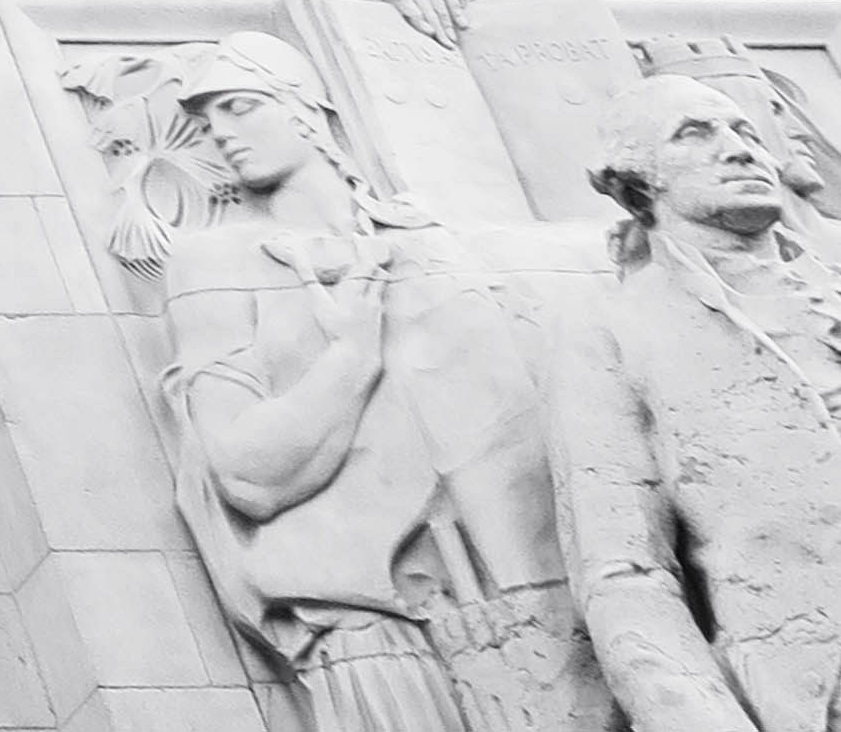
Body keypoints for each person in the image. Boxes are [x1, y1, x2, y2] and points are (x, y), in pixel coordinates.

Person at [99, 36, 598, 730]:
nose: (221, 133)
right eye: (208, 122)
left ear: (309, 107)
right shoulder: (217, 261)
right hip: (376, 635)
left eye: (240, 105)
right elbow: (246, 475)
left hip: (549, 614)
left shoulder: (436, 241)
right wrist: (350, 354)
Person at [562, 79, 841, 730]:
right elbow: (625, 572)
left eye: (745, 132)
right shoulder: (616, 327)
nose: (740, 150)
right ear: (636, 184)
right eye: (694, 133)